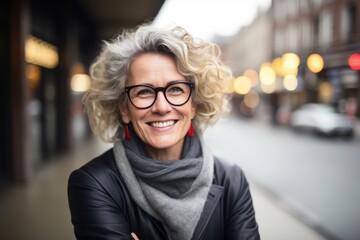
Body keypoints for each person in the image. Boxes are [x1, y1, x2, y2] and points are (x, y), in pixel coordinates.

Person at [67, 23, 260, 240]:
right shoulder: (94, 184)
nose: (161, 107)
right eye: (144, 92)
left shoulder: (231, 180)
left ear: (194, 104)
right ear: (124, 109)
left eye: (176, 89)